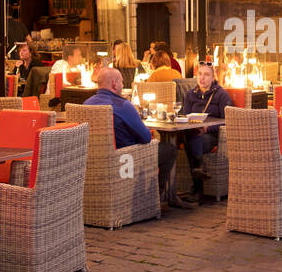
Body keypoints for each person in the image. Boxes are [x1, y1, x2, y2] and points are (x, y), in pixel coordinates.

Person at [83, 68, 185, 211]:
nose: (122, 86)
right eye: (121, 82)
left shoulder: (86, 104)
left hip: (94, 161)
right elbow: (145, 137)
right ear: (114, 84)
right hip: (125, 161)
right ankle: (155, 199)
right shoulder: (122, 105)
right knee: (169, 150)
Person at [176, 63, 232, 203]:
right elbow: (185, 115)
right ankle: (199, 168)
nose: (202, 78)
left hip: (212, 135)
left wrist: (208, 128)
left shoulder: (221, 95)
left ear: (213, 78)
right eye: (200, 74)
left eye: (206, 75)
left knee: (191, 142)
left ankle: (197, 189)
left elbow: (229, 120)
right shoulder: (190, 95)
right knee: (188, 138)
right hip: (192, 132)